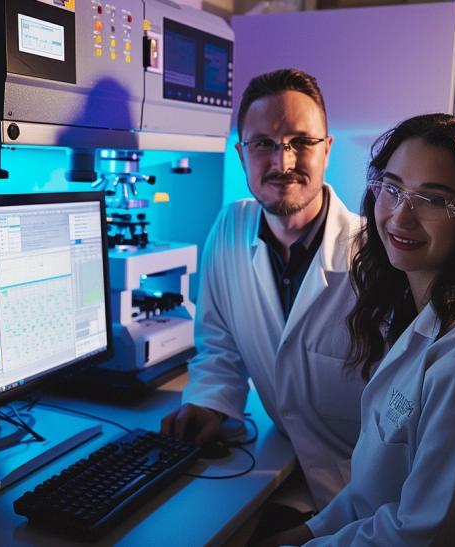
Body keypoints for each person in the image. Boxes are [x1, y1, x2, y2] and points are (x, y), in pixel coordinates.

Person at [267, 113, 455, 546]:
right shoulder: (421, 313)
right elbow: (376, 493)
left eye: (434, 200)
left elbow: (420, 537)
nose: (401, 217)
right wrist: (303, 534)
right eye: (393, 188)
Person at [161, 68, 367, 513]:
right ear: (241, 154)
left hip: (368, 493)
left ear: (327, 149)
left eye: (301, 142)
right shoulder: (230, 227)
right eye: (263, 144)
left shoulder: (375, 258)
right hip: (293, 473)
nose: (282, 162)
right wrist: (209, 401)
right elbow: (219, 344)